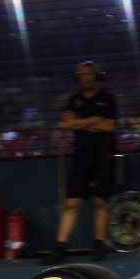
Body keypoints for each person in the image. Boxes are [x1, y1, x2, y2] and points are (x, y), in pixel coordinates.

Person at [42, 61, 117, 263]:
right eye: (82, 74)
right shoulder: (74, 100)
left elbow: (109, 126)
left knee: (101, 201)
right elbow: (66, 124)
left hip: (103, 155)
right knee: (71, 203)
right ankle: (60, 248)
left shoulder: (107, 99)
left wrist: (80, 124)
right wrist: (94, 120)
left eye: (90, 74)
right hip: (81, 155)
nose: (86, 77)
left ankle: (98, 245)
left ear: (96, 76)